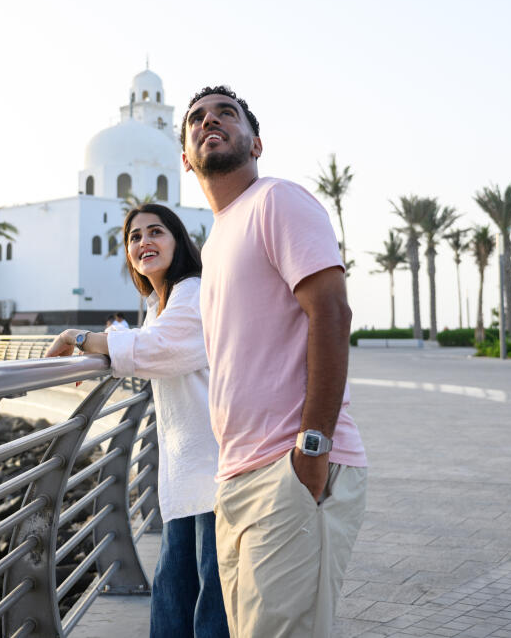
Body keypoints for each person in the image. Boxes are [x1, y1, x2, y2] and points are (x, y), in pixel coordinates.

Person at [180, 84, 367, 638]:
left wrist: (313, 448)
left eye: (226, 114)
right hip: (236, 477)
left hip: (290, 467)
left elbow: (331, 314)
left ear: (255, 143)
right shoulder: (214, 245)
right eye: (196, 119)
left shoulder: (276, 201)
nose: (210, 121)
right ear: (186, 160)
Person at [45, 204, 228, 638]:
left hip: (215, 472)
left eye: (156, 232)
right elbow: (150, 346)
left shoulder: (193, 290)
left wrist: (79, 338)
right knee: (175, 595)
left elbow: (158, 348)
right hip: (187, 474)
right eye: (134, 237)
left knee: (206, 605)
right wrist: (106, 353)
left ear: (178, 241)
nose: (144, 242)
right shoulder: (158, 303)